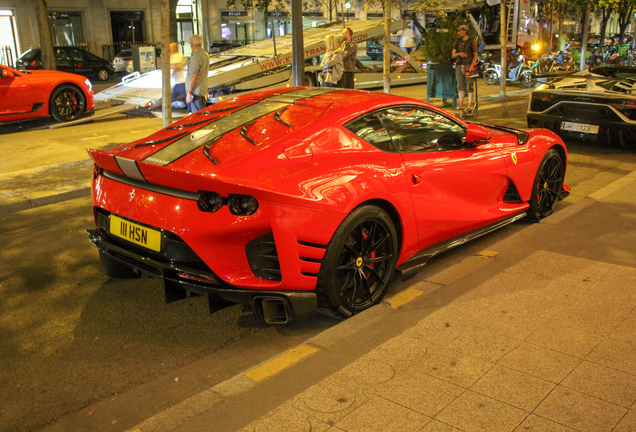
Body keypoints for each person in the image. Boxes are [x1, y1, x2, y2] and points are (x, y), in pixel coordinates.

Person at [451, 24, 478, 110]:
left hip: (468, 65)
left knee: (469, 85)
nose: (458, 32)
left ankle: (470, 105)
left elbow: (475, 55)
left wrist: (472, 65)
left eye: (460, 31)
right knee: (460, 86)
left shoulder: (472, 41)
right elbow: (453, 55)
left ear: (465, 31)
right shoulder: (457, 42)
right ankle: (461, 104)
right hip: (459, 65)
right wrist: (459, 54)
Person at [185, 34, 209, 113]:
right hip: (202, 89)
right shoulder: (205, 55)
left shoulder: (195, 58)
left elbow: (193, 76)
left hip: (195, 92)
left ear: (191, 44)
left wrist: (189, 92)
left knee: (197, 116)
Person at [170, 42, 186, 107]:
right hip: (178, 82)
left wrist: (171, 69)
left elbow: (176, 66)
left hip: (180, 81)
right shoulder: (175, 56)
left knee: (173, 97)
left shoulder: (176, 56)